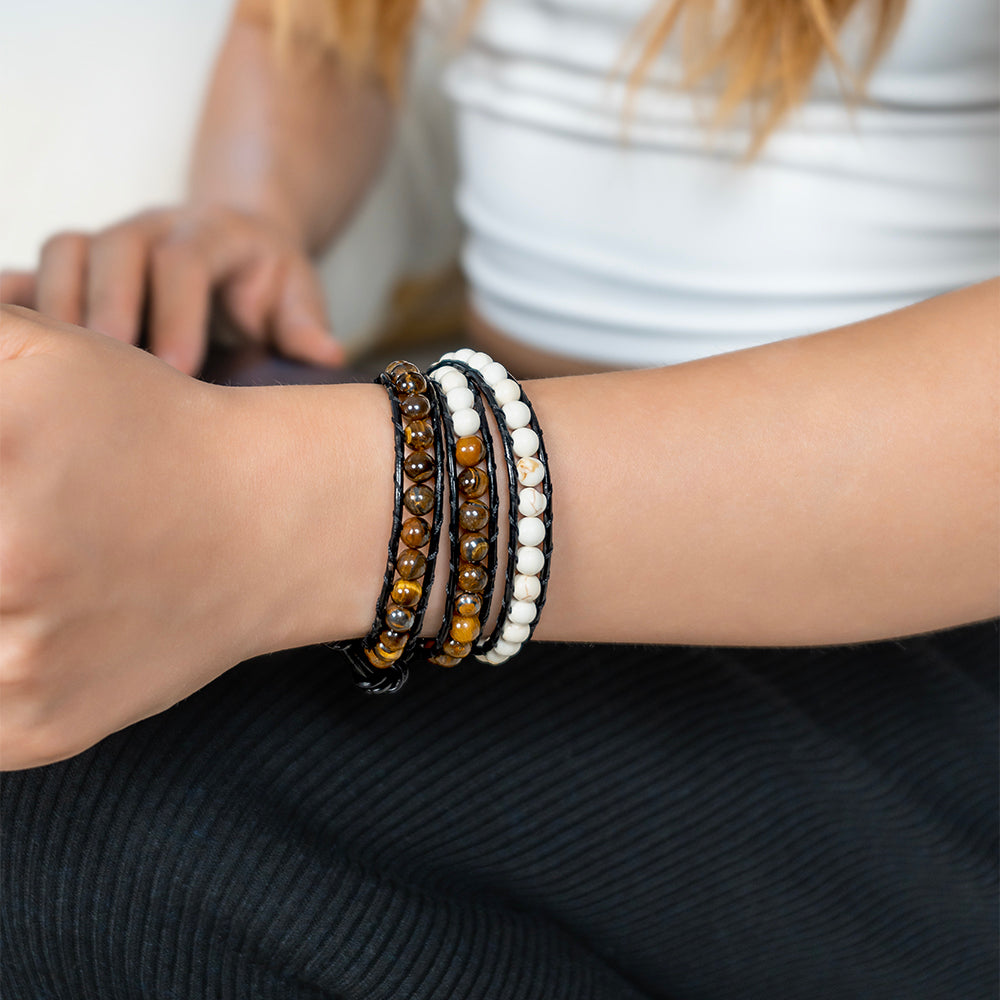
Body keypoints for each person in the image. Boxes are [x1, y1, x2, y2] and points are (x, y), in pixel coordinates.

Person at [0, 0, 996, 997]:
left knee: (95, 827)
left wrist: (309, 508)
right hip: (474, 424)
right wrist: (247, 210)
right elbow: (319, 25)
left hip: (921, 594)